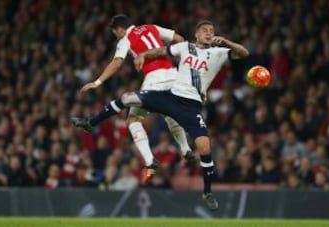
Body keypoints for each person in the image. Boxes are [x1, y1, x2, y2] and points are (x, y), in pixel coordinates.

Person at [72, 20, 249, 210]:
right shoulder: (184, 46)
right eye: (204, 30)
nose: (209, 32)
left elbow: (244, 52)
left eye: (211, 30)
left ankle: (207, 192)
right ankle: (92, 122)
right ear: (196, 35)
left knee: (205, 148)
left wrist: (226, 42)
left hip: (191, 107)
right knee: (127, 98)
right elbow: (161, 51)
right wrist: (143, 54)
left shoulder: (218, 53)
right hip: (170, 96)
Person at [72, 15, 195, 184]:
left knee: (133, 120)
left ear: (120, 29)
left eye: (115, 33)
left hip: (154, 80)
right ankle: (186, 149)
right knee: (168, 114)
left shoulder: (126, 39)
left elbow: (116, 63)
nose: (117, 36)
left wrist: (97, 81)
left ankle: (150, 160)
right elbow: (179, 39)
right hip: (174, 76)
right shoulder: (152, 28)